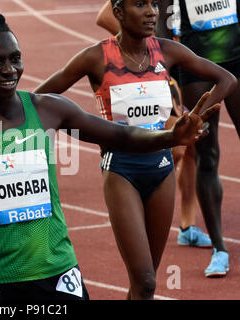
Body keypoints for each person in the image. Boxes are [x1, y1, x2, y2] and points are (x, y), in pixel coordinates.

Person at [0, 11, 217, 300]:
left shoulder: (49, 111)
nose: (9, 70)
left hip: (57, 275)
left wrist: (171, 135)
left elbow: (120, 135)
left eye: (15, 59)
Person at [34, 0, 236, 298]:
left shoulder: (167, 51)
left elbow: (226, 78)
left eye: (154, 4)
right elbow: (38, 99)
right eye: (140, 4)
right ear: (118, 12)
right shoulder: (95, 58)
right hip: (121, 172)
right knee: (145, 281)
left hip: (162, 170)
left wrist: (194, 118)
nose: (152, 12)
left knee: (145, 285)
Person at [97, 0, 211, 249]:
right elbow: (105, 15)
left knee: (190, 145)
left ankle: (187, 224)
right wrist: (142, 41)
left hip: (185, 64)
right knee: (175, 146)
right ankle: (135, 202)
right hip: (158, 68)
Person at [158, 0, 240, 277]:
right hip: (197, 65)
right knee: (208, 153)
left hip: (237, 55)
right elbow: (164, 22)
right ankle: (220, 249)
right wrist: (163, 76)